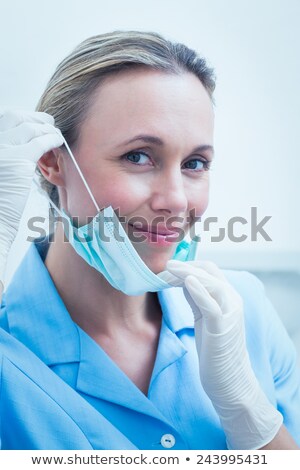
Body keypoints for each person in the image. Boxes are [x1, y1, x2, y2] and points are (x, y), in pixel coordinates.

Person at [0, 30, 299, 451]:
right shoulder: (7, 346)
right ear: (52, 161)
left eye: (195, 163)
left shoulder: (246, 311)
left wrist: (251, 416)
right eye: (138, 156)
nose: (176, 200)